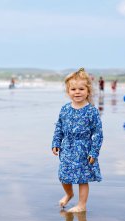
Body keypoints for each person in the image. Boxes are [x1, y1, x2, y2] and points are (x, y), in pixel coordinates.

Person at [52, 68, 103, 213]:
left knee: (82, 178)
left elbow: (98, 133)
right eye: (73, 89)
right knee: (64, 175)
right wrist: (56, 142)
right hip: (67, 147)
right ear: (68, 91)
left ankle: (82, 204)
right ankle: (69, 194)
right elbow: (59, 127)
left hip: (84, 149)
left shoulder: (91, 111)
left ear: (88, 91)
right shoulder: (65, 109)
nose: (77, 92)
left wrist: (94, 152)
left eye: (81, 88)